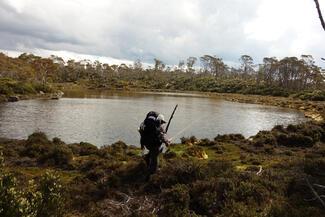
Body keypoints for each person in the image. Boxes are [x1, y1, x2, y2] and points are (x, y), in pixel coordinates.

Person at [139, 111, 170, 177]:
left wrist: (142, 145)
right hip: (153, 145)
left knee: (154, 150)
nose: (162, 123)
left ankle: (147, 158)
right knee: (155, 156)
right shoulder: (157, 126)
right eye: (162, 122)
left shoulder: (145, 123)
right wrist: (167, 142)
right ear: (159, 120)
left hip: (146, 144)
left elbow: (141, 132)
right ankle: (152, 173)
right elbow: (162, 135)